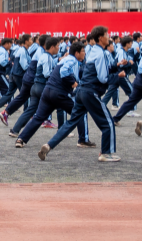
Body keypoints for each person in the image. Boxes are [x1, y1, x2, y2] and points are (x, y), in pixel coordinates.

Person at [35, 26, 119, 163]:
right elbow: (103, 78)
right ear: (100, 38)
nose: (109, 37)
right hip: (90, 92)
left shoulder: (92, 51)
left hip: (81, 91)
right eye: (107, 34)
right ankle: (106, 153)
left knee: (71, 122)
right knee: (108, 122)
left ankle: (49, 145)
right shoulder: (101, 53)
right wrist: (117, 77)